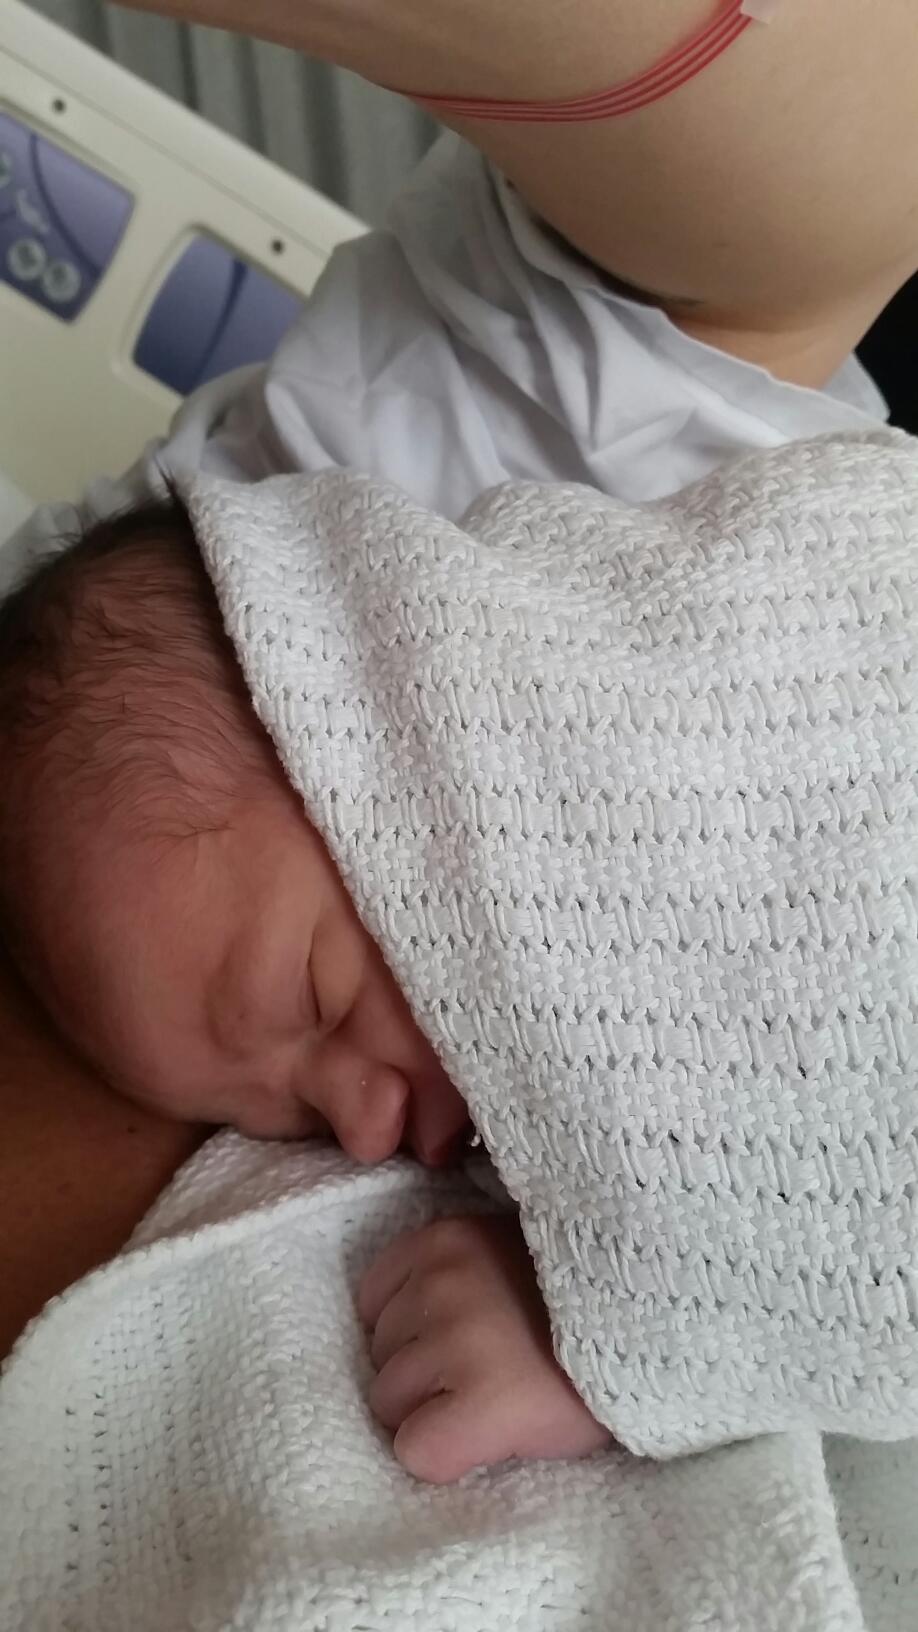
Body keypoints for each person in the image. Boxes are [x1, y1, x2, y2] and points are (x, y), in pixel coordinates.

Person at [3, 420, 918, 1484]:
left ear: (385, 739)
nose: (361, 1129)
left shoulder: (644, 750)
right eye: (289, 1117)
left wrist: (604, 1357)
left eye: (315, 1000)